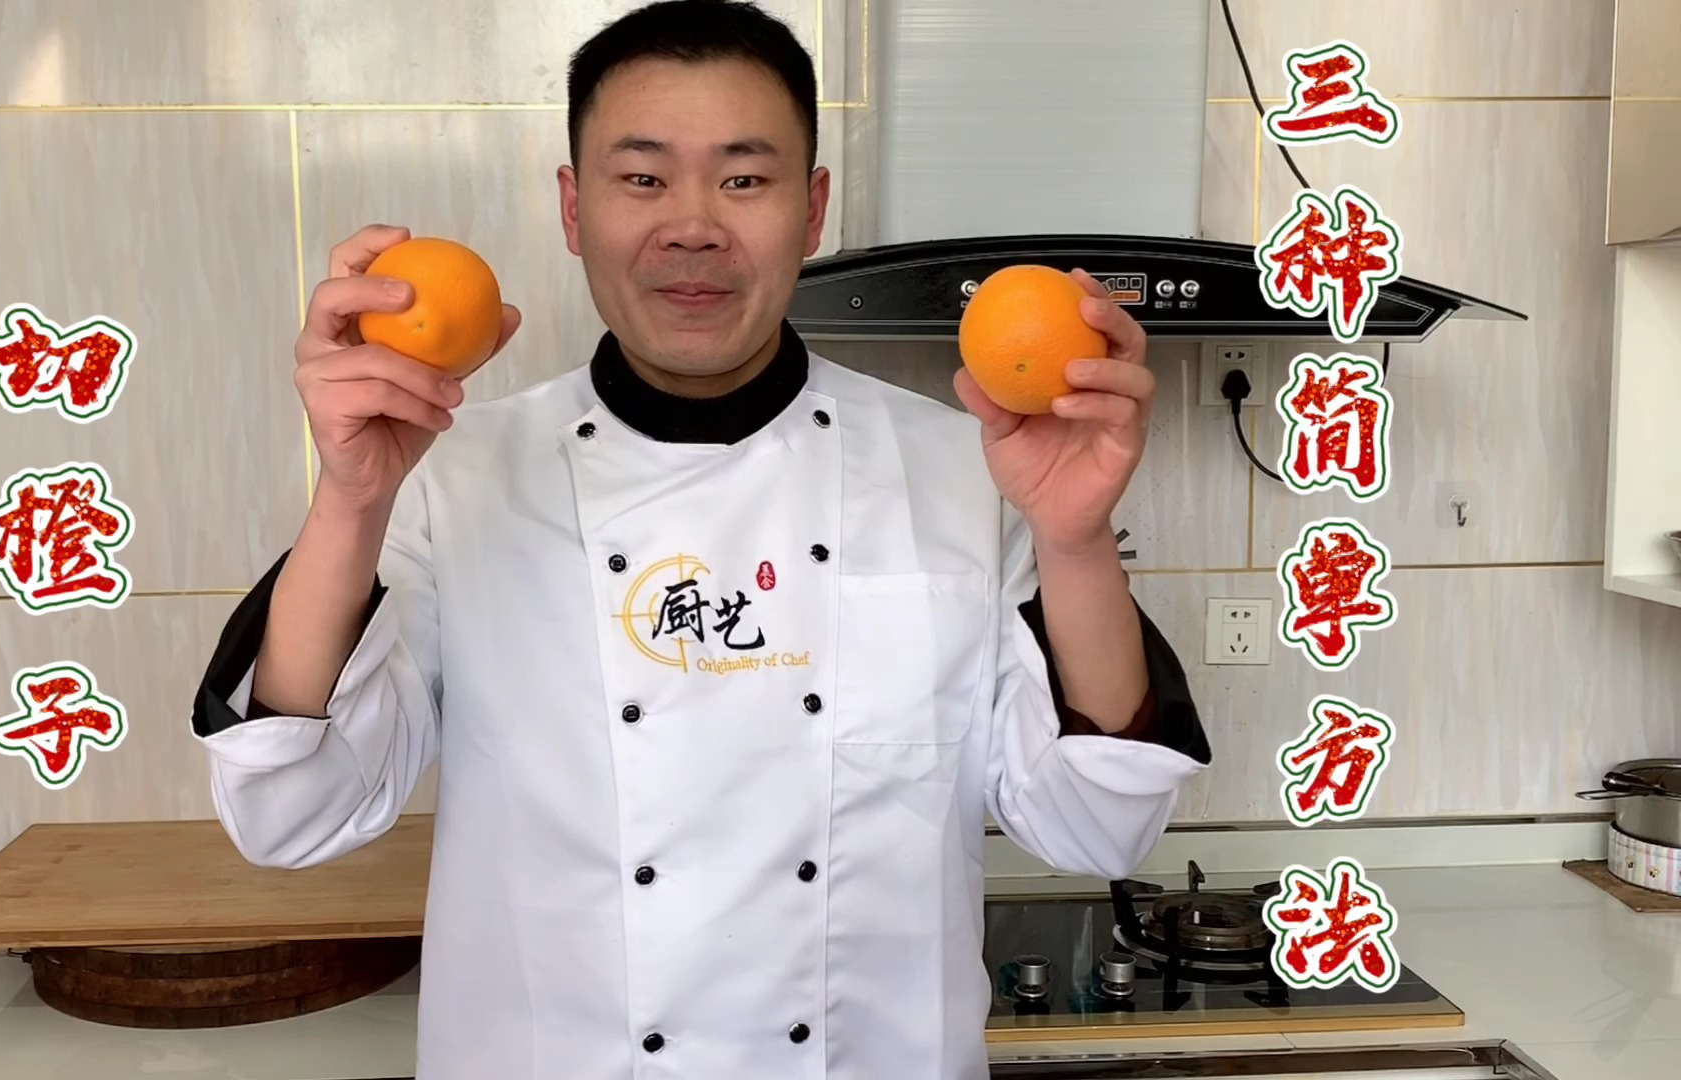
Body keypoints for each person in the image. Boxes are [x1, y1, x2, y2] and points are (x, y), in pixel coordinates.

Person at [191, 1, 1210, 1076]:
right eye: (642, 178)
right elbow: (289, 814)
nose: (692, 227)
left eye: (744, 179)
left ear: (812, 210)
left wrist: (1076, 541)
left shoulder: (964, 470)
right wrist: (351, 499)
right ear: (573, 208)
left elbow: (1098, 828)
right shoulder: (450, 475)